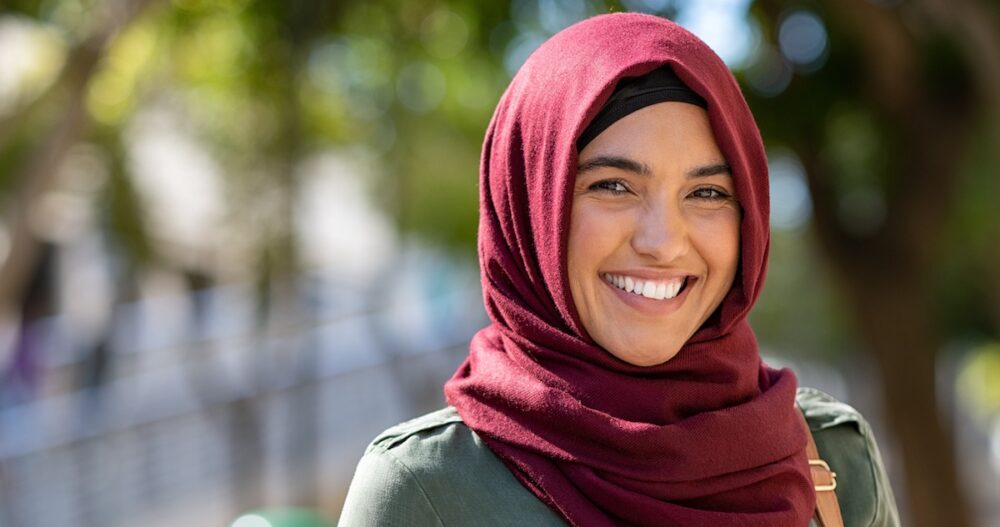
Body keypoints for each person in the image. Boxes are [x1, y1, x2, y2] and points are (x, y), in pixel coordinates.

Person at [338, 12, 899, 527]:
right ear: (530, 208)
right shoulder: (429, 491)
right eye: (613, 186)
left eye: (706, 192)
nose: (662, 243)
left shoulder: (832, 459)